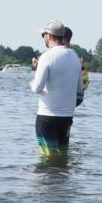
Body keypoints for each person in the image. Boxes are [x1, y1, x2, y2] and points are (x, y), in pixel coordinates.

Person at [29, 20, 84, 158]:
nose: (44, 38)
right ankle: (62, 179)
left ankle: (49, 179)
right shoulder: (75, 57)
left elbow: (37, 88)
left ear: (49, 35)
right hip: (66, 118)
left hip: (47, 117)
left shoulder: (46, 57)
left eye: (44, 35)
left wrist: (31, 82)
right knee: (62, 156)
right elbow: (79, 91)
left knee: (48, 157)